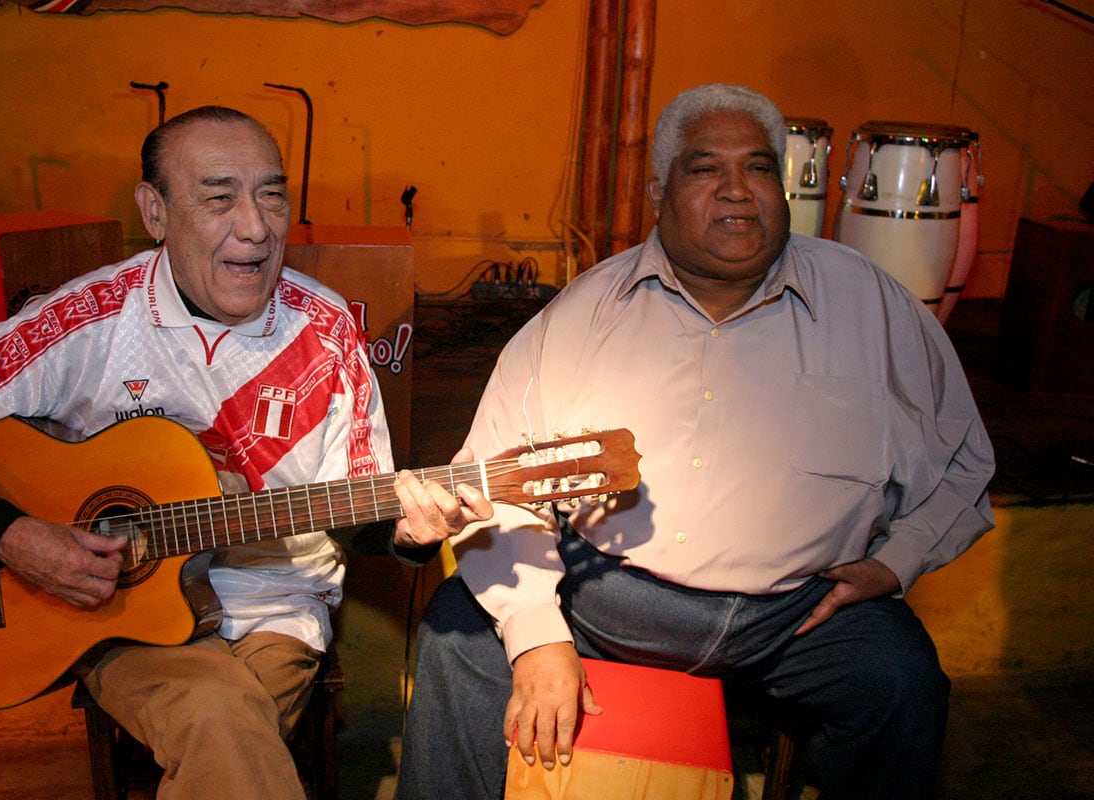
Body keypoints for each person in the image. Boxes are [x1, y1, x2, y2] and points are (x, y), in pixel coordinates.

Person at [397, 83, 995, 800]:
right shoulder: (582, 316)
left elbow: (964, 457)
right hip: (607, 603)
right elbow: (493, 484)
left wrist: (896, 562)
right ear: (659, 191)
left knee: (903, 682)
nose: (737, 190)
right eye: (706, 169)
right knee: (457, 632)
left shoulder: (874, 304)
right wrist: (538, 635)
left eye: (759, 167)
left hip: (799, 619)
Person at [0, 105, 491, 800]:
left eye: (272, 195)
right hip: (117, 618)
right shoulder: (90, 318)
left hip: (275, 609)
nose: (256, 226)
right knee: (218, 719)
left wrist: (410, 534)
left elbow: (360, 508)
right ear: (155, 212)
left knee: (219, 732)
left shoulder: (327, 331)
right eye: (218, 198)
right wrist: (9, 537)